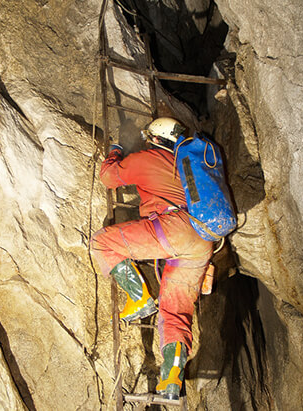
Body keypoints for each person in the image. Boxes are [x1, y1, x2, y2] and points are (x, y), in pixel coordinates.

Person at [90, 117, 213, 400]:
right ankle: (171, 380)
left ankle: (139, 298)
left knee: (102, 243)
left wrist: (115, 151)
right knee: (175, 312)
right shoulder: (188, 165)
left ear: (154, 140)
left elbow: (109, 177)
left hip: (173, 228)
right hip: (202, 239)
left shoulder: (148, 158)